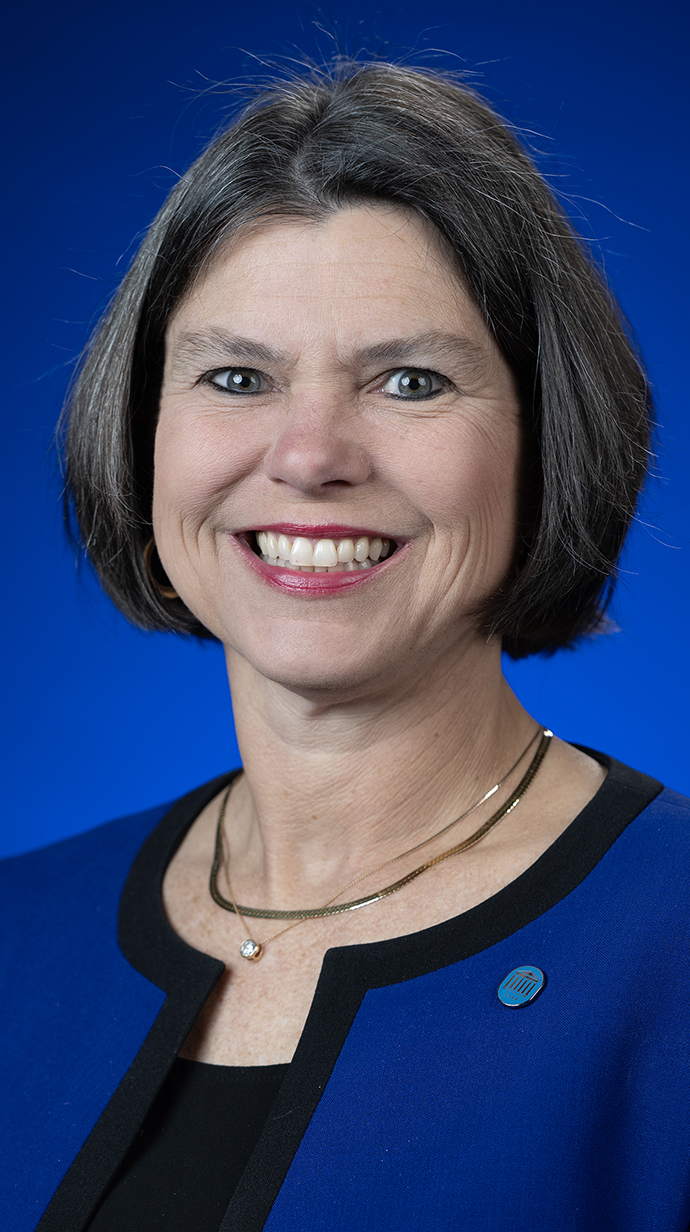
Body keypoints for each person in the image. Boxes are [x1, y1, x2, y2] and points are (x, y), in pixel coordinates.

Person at [2, 60, 689, 1232]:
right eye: (236, 377)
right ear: (142, 433)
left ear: (545, 439)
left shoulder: (670, 941)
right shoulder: (20, 930)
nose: (312, 454)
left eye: (410, 380)